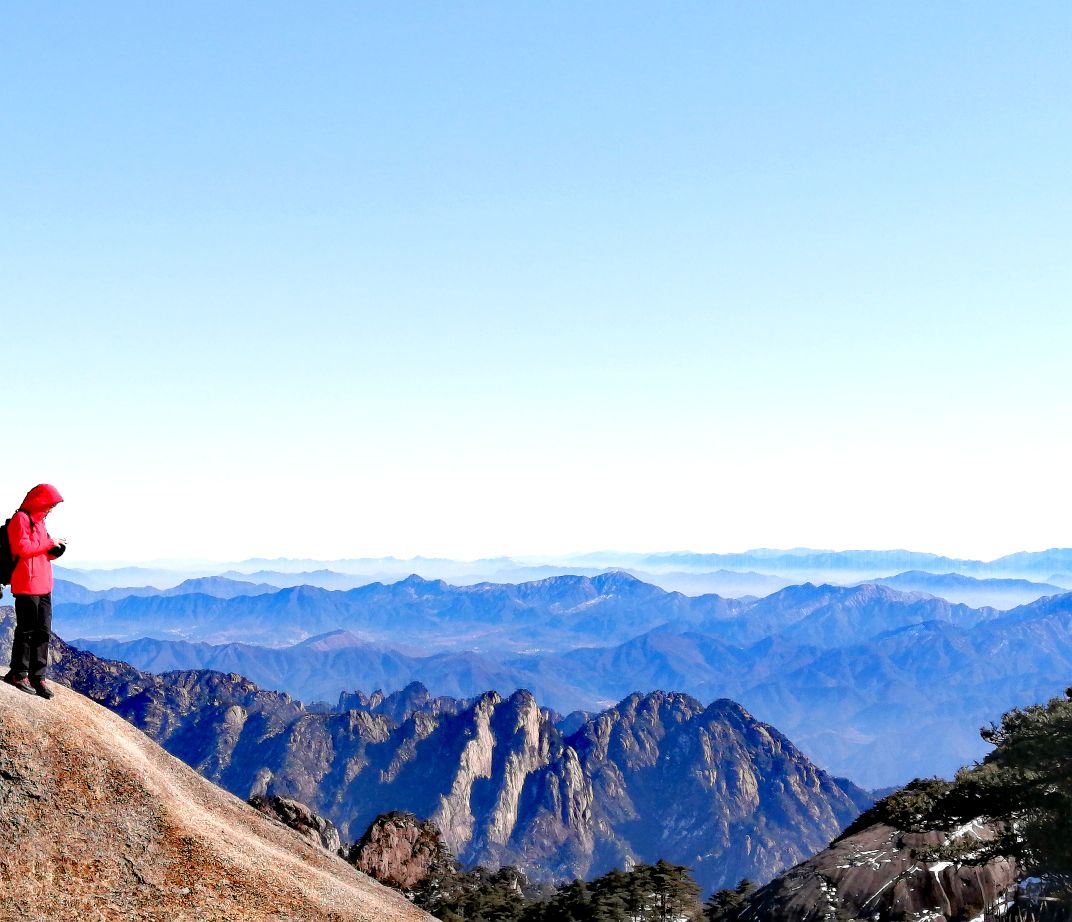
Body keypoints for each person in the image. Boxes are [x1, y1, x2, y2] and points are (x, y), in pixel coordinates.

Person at [3, 484, 66, 699]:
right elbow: (22, 549)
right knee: (27, 630)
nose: (50, 510)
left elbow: (40, 552)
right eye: (49, 505)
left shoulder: (39, 523)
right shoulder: (21, 518)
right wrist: (49, 542)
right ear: (39, 501)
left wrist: (55, 549)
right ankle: (18, 673)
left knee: (43, 633)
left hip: (43, 584)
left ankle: (37, 676)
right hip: (26, 584)